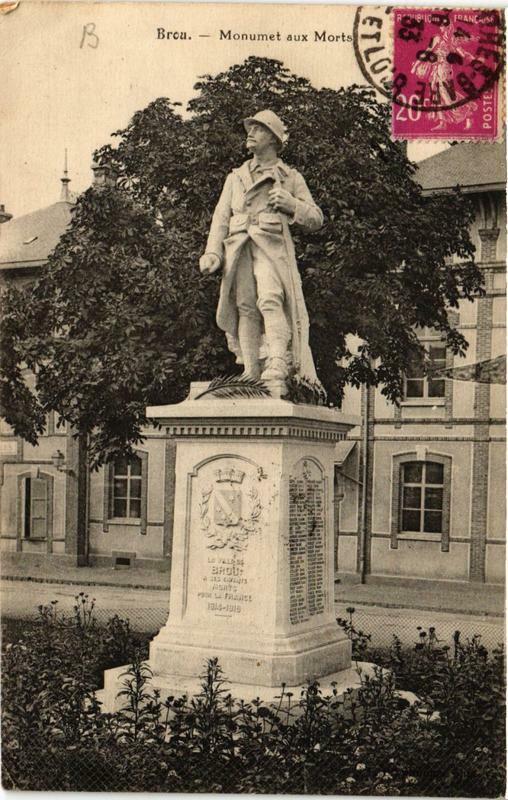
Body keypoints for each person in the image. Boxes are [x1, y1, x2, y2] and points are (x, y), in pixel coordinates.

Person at [199, 109, 323, 384]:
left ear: (273, 138)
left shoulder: (290, 177)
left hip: (271, 246)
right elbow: (220, 218)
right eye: (250, 128)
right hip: (239, 246)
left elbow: (316, 218)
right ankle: (251, 369)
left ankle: (278, 360)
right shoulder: (236, 177)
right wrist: (212, 252)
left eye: (258, 129)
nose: (251, 133)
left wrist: (292, 204)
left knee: (270, 297)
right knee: (245, 305)